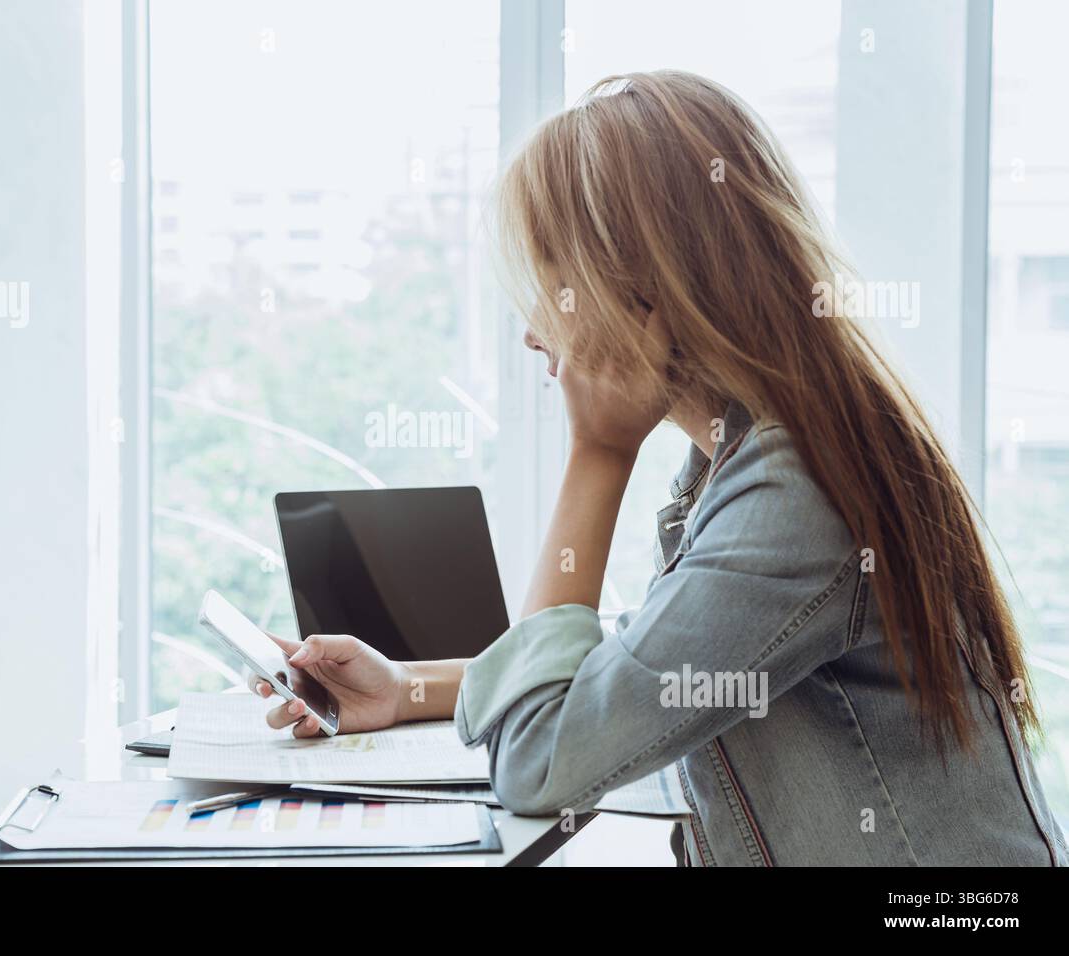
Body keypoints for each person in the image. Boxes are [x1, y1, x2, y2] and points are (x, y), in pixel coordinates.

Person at [250, 71, 1064, 866]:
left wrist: (597, 452)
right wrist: (408, 689)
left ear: (644, 291)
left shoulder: (795, 492)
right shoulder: (759, 455)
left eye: (554, 287)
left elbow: (540, 767)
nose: (536, 333)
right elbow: (655, 661)